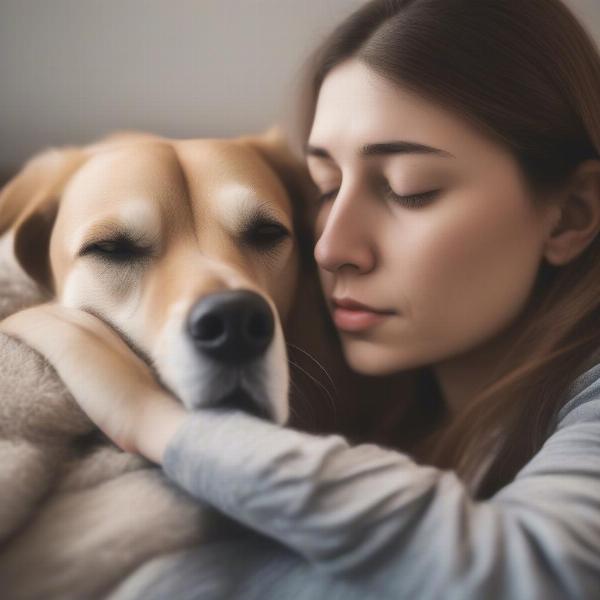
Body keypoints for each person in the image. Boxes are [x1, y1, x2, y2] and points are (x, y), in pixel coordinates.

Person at [5, 0, 600, 598]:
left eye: (408, 190)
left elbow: (543, 573)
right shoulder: (378, 403)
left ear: (569, 216)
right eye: (324, 188)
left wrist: (148, 418)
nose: (329, 246)